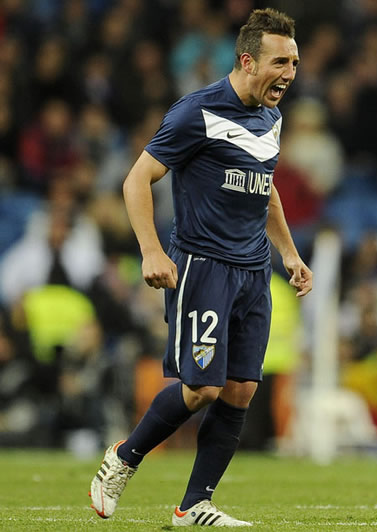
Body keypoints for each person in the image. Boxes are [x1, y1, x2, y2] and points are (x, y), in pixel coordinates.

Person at [89, 8, 312, 528]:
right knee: (202, 389)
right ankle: (123, 458)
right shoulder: (198, 112)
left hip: (254, 270)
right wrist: (149, 249)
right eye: (281, 62)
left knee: (241, 391)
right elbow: (136, 180)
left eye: (295, 63)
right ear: (247, 59)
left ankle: (194, 505)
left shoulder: (271, 119)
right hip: (203, 266)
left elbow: (266, 189)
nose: (290, 74)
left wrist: (289, 253)